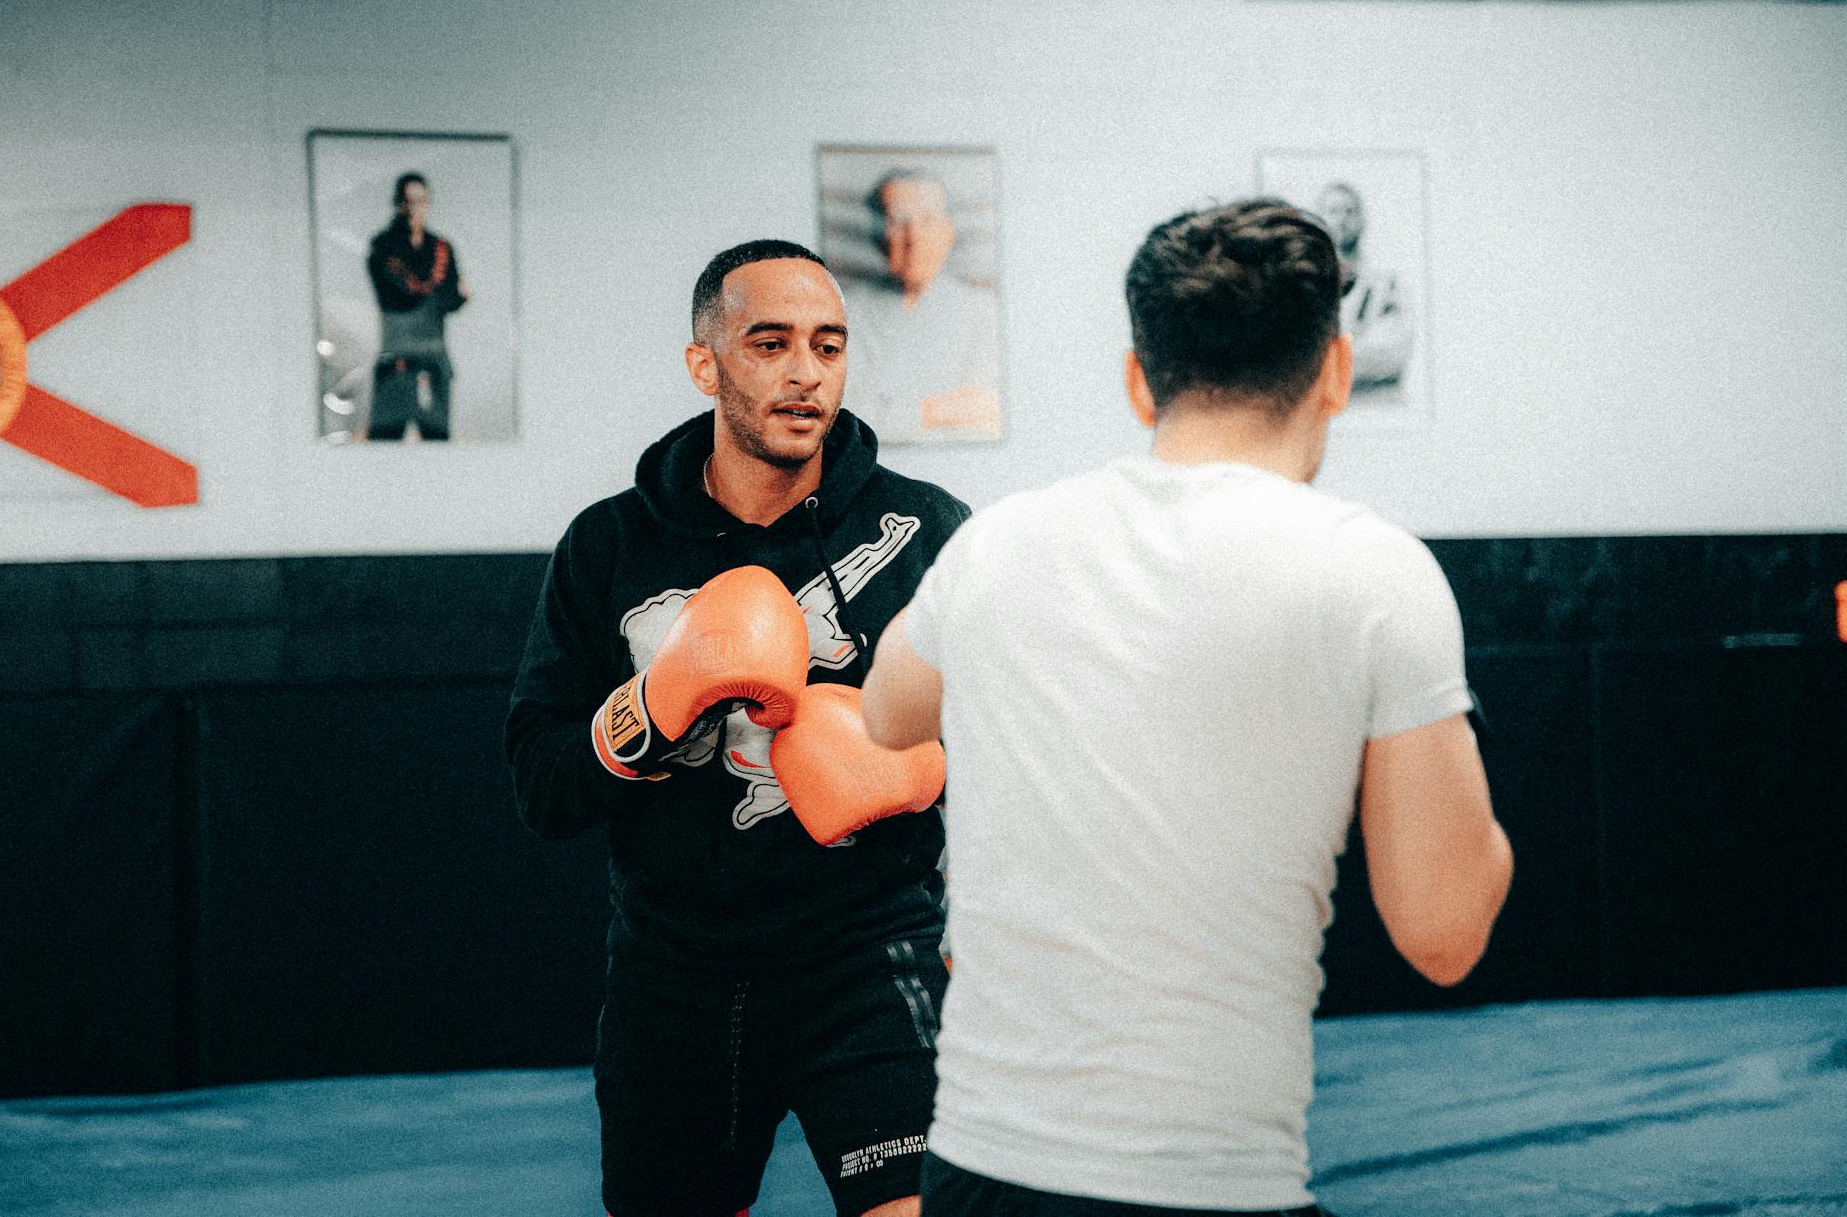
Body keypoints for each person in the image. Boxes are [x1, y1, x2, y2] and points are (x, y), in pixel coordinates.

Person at [861, 200, 1514, 1215]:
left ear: (1136, 381)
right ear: (1334, 371)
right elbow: (1442, 935)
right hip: (1211, 1191)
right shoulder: (1374, 573)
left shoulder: (995, 545)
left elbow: (884, 715)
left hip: (977, 1177)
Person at [506, 239, 972, 1217]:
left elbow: (1026, 740)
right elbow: (542, 787)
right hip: (673, 977)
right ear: (705, 363)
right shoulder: (609, 546)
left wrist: (917, 765)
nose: (805, 371)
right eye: (769, 343)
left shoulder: (926, 533)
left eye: (828, 345)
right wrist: (653, 706)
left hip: (869, 958)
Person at [836, 169, 1002, 442]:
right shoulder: (844, 311)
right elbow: (840, 423)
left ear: (948, 231)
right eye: (898, 221)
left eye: (927, 220)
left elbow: (986, 419)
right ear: (877, 235)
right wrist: (932, 411)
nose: (913, 237)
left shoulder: (984, 311)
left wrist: (889, 413)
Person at [364, 171, 466, 440]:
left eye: (420, 201)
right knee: (383, 448)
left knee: (437, 445)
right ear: (398, 204)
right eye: (409, 201)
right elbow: (401, 293)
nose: (414, 209)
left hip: (434, 358)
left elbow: (452, 299)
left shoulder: (441, 248)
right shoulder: (383, 247)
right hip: (396, 359)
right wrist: (443, 292)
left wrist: (449, 294)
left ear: (428, 202)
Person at [1313, 180, 1411, 394]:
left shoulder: (1384, 284)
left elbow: (1392, 352)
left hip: (1374, 401)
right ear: (1319, 219)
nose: (1342, 220)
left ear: (1362, 220)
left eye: (1350, 211)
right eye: (1333, 211)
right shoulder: (1304, 283)